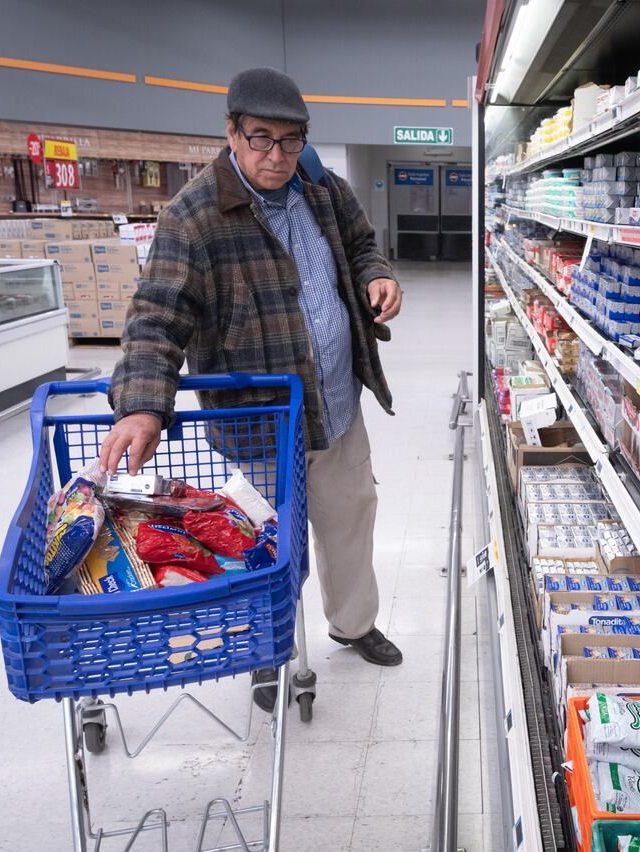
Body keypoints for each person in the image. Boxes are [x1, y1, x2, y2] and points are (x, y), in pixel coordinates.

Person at [99, 67, 405, 710]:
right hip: (260, 422)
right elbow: (156, 315)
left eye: (291, 141)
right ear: (231, 132)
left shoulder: (322, 189)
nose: (276, 156)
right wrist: (142, 404)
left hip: (338, 407)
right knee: (268, 541)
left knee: (350, 517)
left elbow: (360, 246)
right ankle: (268, 649)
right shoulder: (196, 215)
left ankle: (353, 624)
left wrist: (377, 276)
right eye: (261, 139)